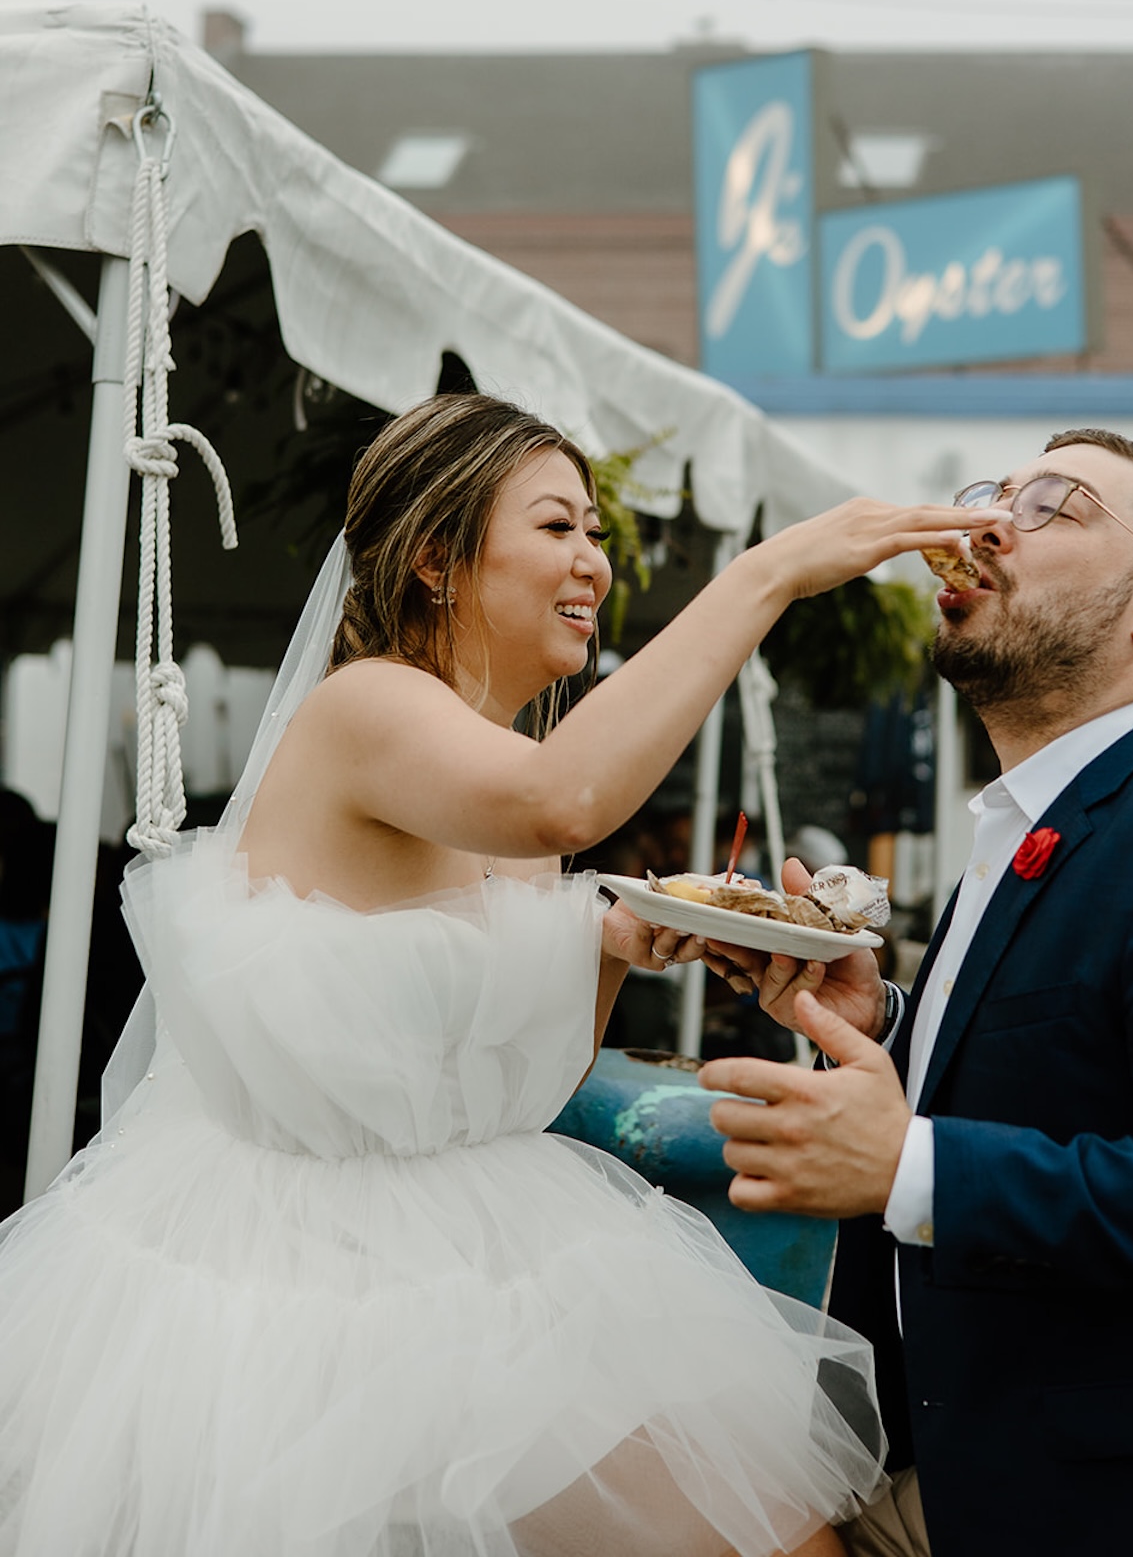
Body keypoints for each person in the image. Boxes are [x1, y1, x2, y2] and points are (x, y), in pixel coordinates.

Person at [0, 392, 987, 1557]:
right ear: (434, 557)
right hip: (302, 1284)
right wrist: (763, 576)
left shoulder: (509, 760)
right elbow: (565, 798)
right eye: (558, 529)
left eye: (596, 537)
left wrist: (612, 953)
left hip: (493, 1238)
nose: (594, 566)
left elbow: (520, 1073)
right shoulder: (369, 707)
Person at [701, 429, 1133, 1557]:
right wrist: (881, 1022)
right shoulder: (1032, 816)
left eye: (1050, 506)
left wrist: (909, 1170)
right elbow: (1064, 1069)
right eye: (987, 496)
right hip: (950, 1467)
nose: (981, 528)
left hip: (1107, 1510)